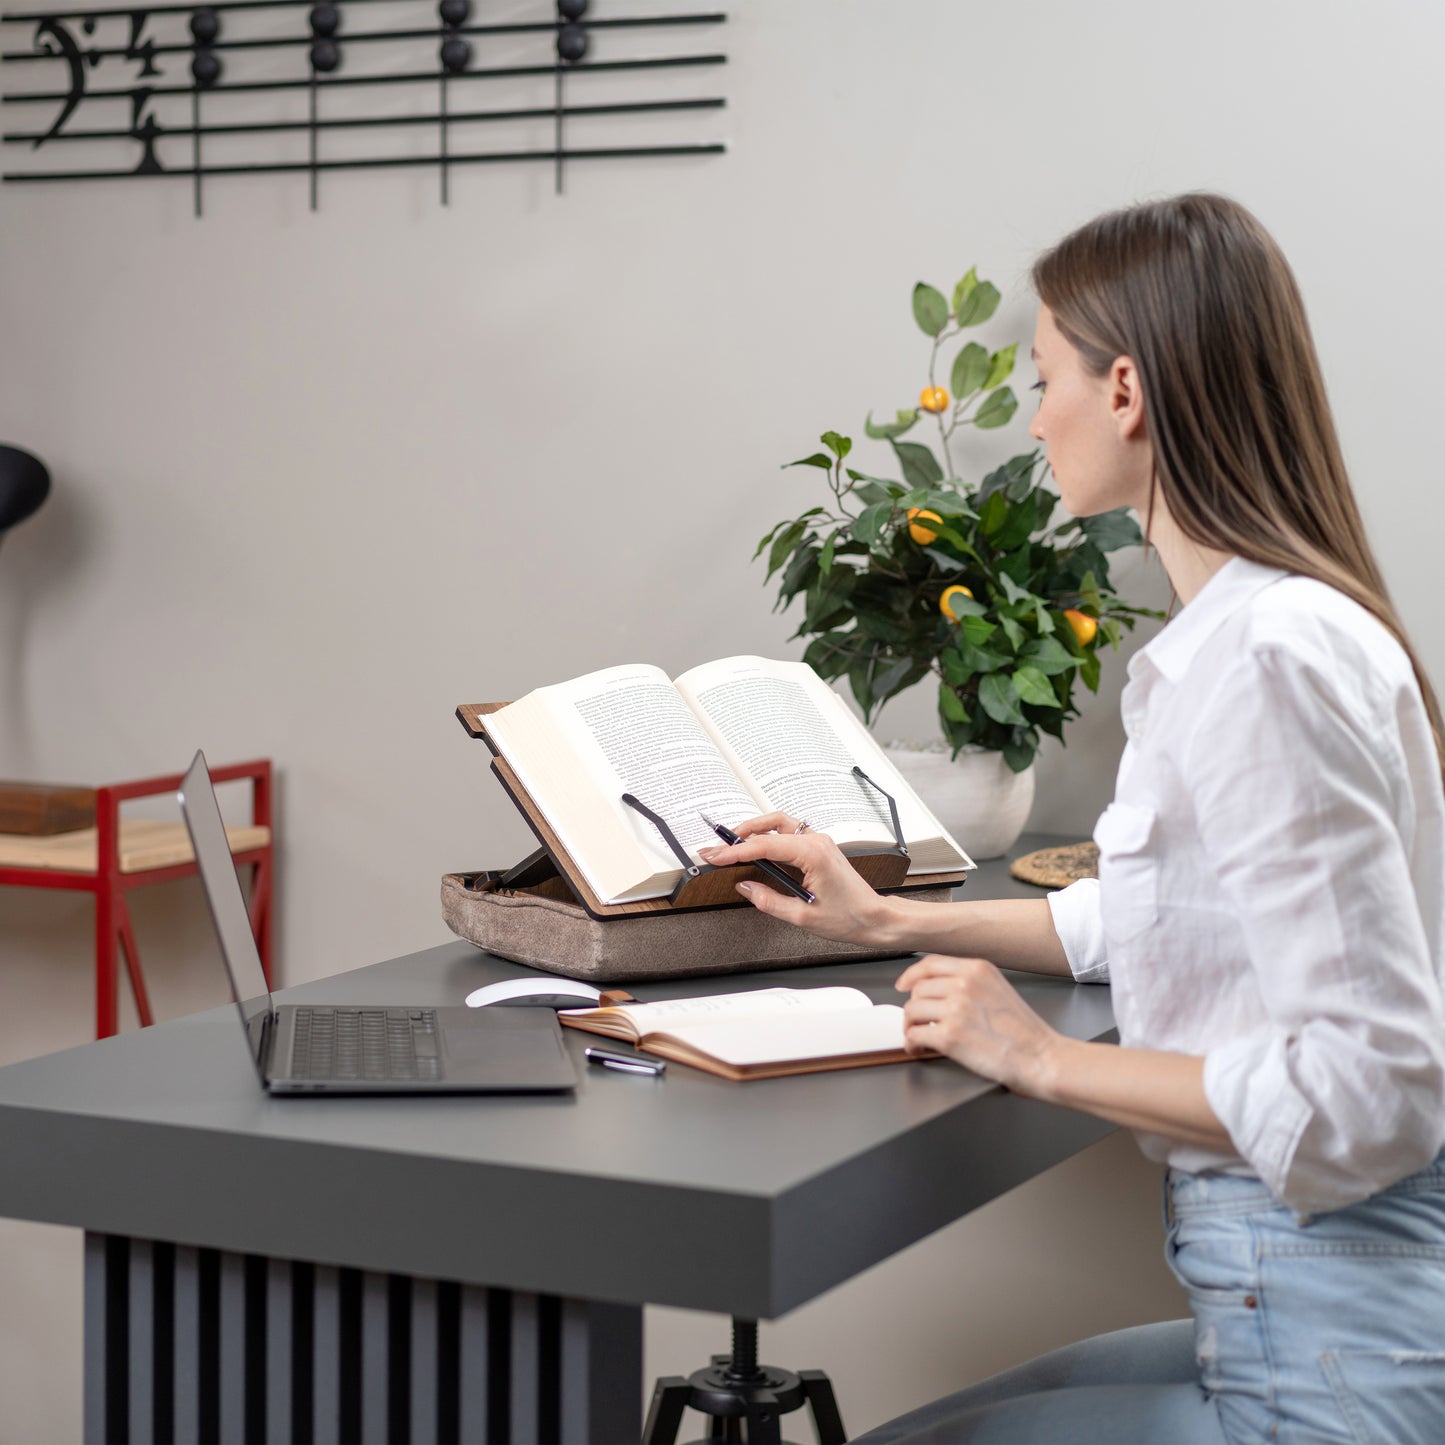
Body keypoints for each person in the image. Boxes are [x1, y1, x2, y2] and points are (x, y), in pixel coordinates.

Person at [699, 193, 1445, 1444]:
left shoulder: (1265, 661)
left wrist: (1035, 1056)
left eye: (1045, 376)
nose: (1033, 415)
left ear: (1126, 392)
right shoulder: (1263, 632)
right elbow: (1168, 913)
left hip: (1326, 1349)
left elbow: (1373, 1089)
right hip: (1309, 1296)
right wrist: (881, 916)